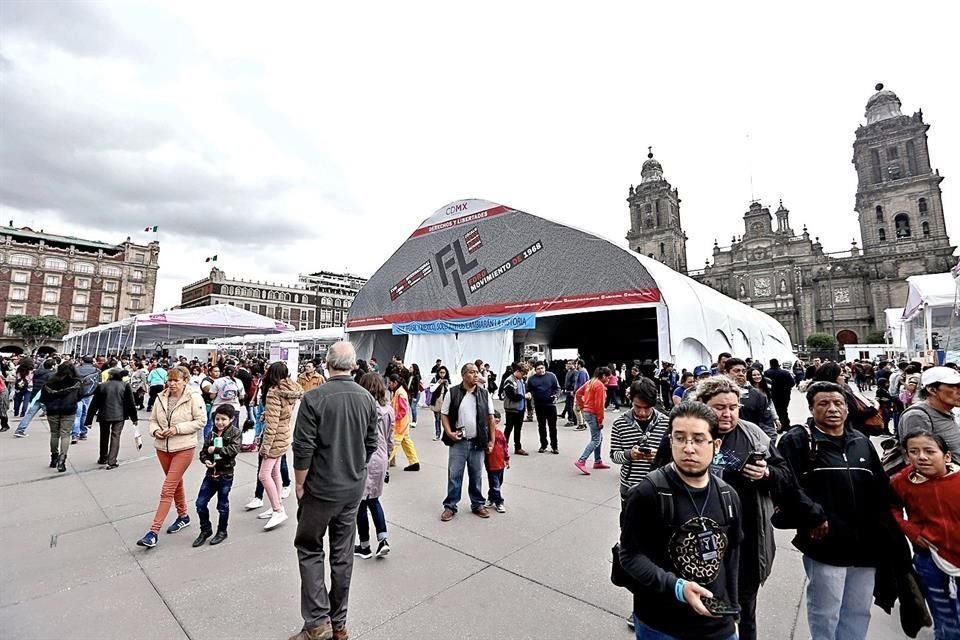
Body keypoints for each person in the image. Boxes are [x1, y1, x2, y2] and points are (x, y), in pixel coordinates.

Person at [777, 381, 892, 640]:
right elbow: (785, 484)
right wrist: (812, 514)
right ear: (811, 408)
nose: (832, 409)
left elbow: (880, 489)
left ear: (847, 409)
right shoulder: (798, 441)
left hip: (865, 544)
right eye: (823, 403)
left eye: (838, 403)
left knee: (859, 610)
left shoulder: (860, 441)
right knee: (826, 611)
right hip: (825, 543)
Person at [619, 402, 743, 640]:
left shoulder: (728, 496)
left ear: (715, 445)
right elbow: (630, 555)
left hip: (717, 625)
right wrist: (678, 587)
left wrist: (733, 610)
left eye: (698, 439)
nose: (688, 448)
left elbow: (732, 556)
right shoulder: (647, 492)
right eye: (680, 438)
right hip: (662, 626)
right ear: (670, 441)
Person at [682, 375, 793, 640]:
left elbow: (785, 474)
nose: (727, 414)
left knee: (745, 611)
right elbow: (660, 477)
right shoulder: (687, 435)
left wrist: (767, 474)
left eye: (733, 407)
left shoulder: (753, 435)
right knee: (703, 611)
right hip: (700, 543)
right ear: (702, 405)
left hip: (748, 542)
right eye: (720, 407)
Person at [291, 341, 379, 640]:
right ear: (353, 365)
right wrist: (356, 469)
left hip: (321, 487)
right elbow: (371, 444)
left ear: (327, 364)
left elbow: (303, 448)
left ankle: (317, 621)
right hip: (351, 488)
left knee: (309, 547)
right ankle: (338, 623)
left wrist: (300, 483)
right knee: (342, 555)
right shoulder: (367, 398)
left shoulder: (314, 398)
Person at [890, 430, 960, 640]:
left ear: (946, 456)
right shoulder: (901, 482)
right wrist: (910, 530)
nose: (921, 457)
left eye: (929, 451)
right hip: (930, 560)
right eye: (914, 451)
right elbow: (889, 509)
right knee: (946, 620)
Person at [137, 366, 206, 549]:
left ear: (185, 380)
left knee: (167, 489)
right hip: (162, 448)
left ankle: (153, 532)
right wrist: (156, 431)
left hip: (183, 447)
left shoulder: (193, 397)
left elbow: (201, 421)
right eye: (170, 380)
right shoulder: (161, 397)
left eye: (177, 380)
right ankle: (183, 516)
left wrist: (177, 429)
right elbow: (152, 420)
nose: (172, 383)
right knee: (175, 484)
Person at [440, 362, 496, 521]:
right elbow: (444, 414)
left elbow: (490, 418)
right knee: (454, 475)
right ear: (464, 375)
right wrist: (449, 433)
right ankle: (450, 506)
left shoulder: (484, 394)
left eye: (477, 372)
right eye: (472, 372)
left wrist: (492, 440)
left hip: (478, 442)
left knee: (476, 475)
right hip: (459, 442)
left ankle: (478, 504)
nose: (476, 375)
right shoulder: (453, 392)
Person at [258, 362, 303, 531]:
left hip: (275, 437)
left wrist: (265, 446)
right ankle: (275, 504)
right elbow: (280, 414)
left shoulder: (273, 393)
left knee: (264, 474)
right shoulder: (291, 390)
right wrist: (266, 414)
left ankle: (278, 509)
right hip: (285, 433)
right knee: (275, 471)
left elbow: (272, 424)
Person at [354, 373, 394, 560]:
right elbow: (390, 437)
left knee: (361, 501)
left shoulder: (363, 409)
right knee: (374, 499)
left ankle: (364, 545)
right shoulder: (388, 409)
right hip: (382, 455)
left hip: (365, 455)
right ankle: (383, 538)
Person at [192, 404, 241, 547]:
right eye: (217, 419)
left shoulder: (235, 433)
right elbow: (204, 451)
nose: (219, 422)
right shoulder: (211, 433)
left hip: (225, 474)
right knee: (200, 503)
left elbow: (233, 450)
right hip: (211, 474)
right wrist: (206, 459)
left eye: (223, 419)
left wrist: (217, 449)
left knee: (222, 505)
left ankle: (222, 531)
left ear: (231, 419)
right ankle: (205, 529)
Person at [897, 366, 960, 459]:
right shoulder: (917, 416)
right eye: (954, 386)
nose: (959, 391)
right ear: (932, 390)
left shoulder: (948, 412)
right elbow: (920, 461)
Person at [84, 368, 139, 469]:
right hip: (120, 415)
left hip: (104, 415)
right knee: (115, 436)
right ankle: (112, 460)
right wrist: (134, 418)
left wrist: (89, 420)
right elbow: (130, 403)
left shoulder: (102, 386)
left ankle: (103, 457)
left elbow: (94, 404)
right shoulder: (125, 386)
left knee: (104, 436)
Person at [39, 363, 83, 473]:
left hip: (52, 409)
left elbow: (43, 398)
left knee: (54, 434)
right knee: (65, 434)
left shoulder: (50, 382)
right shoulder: (76, 382)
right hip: (69, 410)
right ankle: (62, 459)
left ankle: (54, 457)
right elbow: (80, 396)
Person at [723, 357, 777, 438]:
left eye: (743, 371)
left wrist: (768, 444)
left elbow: (767, 424)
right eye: (736, 371)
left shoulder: (758, 395)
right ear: (726, 373)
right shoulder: (716, 394)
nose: (741, 374)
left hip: (750, 441)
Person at [574, 366, 611, 475]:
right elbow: (599, 405)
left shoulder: (591, 382)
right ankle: (581, 460)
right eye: (607, 377)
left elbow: (578, 393)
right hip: (593, 413)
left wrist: (581, 406)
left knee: (598, 437)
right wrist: (600, 421)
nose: (608, 380)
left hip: (587, 411)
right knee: (596, 439)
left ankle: (598, 461)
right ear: (603, 376)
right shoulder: (600, 386)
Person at [13, 358, 54, 437]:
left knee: (30, 414)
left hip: (36, 395)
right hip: (45, 396)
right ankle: (57, 430)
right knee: (53, 414)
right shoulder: (51, 374)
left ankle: (20, 429)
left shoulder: (36, 372)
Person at [387, 374, 420, 471]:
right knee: (406, 442)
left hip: (399, 424)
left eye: (390, 383)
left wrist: (394, 417)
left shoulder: (400, 393)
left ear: (395, 383)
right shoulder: (398, 391)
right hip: (403, 423)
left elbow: (403, 410)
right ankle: (414, 462)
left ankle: (385, 463)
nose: (389, 384)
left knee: (393, 444)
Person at [527, 362, 560, 454]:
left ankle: (554, 446)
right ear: (535, 370)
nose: (541, 370)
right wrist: (529, 394)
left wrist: (556, 396)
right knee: (541, 426)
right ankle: (543, 445)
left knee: (552, 427)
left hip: (550, 405)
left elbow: (557, 388)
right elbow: (528, 390)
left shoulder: (551, 376)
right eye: (538, 369)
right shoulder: (531, 379)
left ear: (545, 368)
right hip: (539, 406)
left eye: (542, 368)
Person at [500, 362, 528, 455]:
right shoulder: (509, 380)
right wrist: (524, 396)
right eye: (523, 373)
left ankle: (518, 447)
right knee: (508, 428)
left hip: (520, 409)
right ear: (517, 371)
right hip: (511, 409)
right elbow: (512, 396)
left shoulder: (520, 380)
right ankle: (503, 447)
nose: (523, 376)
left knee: (518, 429)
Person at [70, 355, 100, 443]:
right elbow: (98, 384)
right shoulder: (97, 371)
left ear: (82, 361)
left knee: (77, 414)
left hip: (76, 394)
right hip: (89, 394)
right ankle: (83, 432)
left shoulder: (76, 369)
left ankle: (75, 434)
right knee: (85, 413)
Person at [485, 409, 509, 513]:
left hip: (500, 464)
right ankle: (499, 502)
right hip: (491, 464)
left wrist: (507, 459)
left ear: (497, 421)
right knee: (495, 484)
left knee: (497, 484)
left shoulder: (500, 434)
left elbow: (505, 447)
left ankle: (491, 498)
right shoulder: (487, 434)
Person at [209, 365, 245, 431]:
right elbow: (242, 396)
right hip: (234, 408)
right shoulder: (238, 382)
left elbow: (212, 396)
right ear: (235, 373)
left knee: (217, 430)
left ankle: (217, 441)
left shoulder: (218, 381)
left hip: (218, 408)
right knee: (232, 431)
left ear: (224, 372)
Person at [763, 358, 795, 430]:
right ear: (778, 363)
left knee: (775, 410)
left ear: (770, 364)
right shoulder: (785, 373)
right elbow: (792, 383)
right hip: (784, 395)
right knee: (783, 410)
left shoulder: (766, 373)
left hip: (773, 395)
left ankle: (778, 426)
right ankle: (786, 425)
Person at [429, 366, 450, 441]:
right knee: (437, 419)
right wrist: (438, 383)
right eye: (441, 372)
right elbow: (431, 390)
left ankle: (446, 434)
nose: (442, 374)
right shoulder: (435, 379)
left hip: (445, 401)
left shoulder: (448, 380)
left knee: (445, 419)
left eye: (444, 372)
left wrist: (447, 385)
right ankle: (437, 434)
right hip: (436, 401)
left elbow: (450, 391)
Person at [407, 363, 422, 428]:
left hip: (415, 394)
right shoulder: (409, 375)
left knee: (413, 407)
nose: (409, 368)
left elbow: (417, 387)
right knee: (409, 407)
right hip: (410, 393)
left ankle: (414, 421)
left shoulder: (417, 377)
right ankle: (409, 420)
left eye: (411, 367)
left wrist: (415, 397)